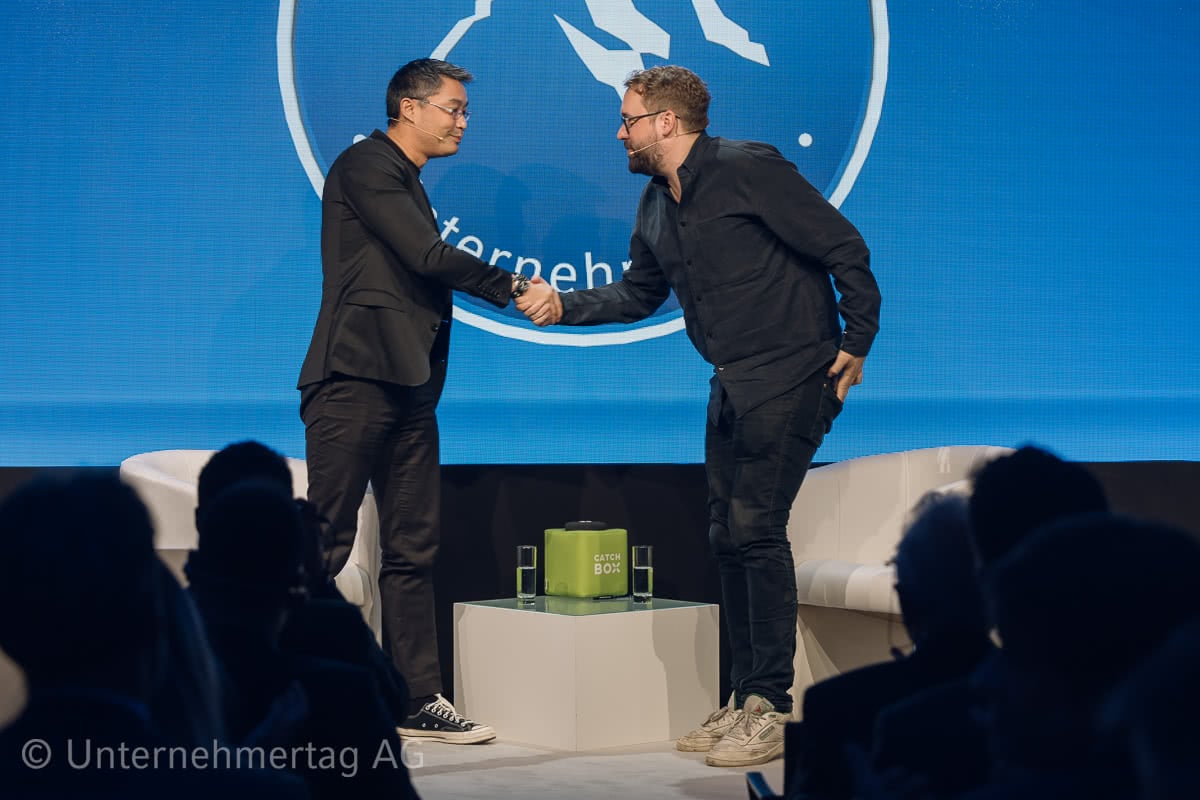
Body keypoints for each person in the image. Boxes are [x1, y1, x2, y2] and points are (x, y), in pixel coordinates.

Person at [517, 65, 881, 767]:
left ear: (665, 122)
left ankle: (771, 706)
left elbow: (844, 247)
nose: (619, 133)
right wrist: (564, 305)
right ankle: (745, 696)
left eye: (628, 119)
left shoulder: (748, 169)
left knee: (756, 527)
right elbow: (638, 294)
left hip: (794, 370)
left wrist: (857, 339)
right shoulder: (656, 203)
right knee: (726, 534)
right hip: (733, 382)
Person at [298, 58, 552, 743]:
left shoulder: (406, 180)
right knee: (323, 542)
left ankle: (415, 698)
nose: (463, 122)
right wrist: (513, 286)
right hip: (354, 380)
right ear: (409, 108)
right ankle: (272, 692)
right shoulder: (367, 165)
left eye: (465, 110)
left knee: (412, 548)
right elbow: (426, 257)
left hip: (410, 389)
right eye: (453, 108)